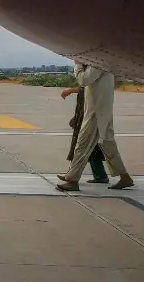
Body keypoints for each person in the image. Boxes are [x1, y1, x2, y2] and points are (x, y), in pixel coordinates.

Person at [56, 63, 134, 191]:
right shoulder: (104, 65)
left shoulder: (98, 64)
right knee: (108, 146)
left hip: (96, 114)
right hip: (101, 112)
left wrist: (77, 65)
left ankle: (73, 180)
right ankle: (125, 177)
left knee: (82, 145)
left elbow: (83, 80)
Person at [61, 86, 108, 183]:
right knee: (91, 149)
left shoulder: (90, 84)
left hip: (87, 121)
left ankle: (71, 176)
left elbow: (85, 89)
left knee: (82, 148)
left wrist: (70, 90)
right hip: (85, 120)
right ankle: (100, 175)